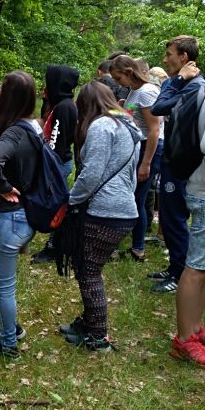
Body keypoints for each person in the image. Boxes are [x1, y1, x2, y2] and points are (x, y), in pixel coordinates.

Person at [58, 81, 141, 352]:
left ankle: (97, 335)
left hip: (106, 211)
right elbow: (129, 175)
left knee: (89, 271)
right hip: (124, 209)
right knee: (90, 268)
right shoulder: (127, 126)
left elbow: (91, 173)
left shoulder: (101, 127)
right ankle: (89, 323)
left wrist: (71, 200)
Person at [0, 71, 42, 359]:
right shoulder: (35, 128)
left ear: (9, 96)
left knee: (4, 287)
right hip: (25, 216)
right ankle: (10, 327)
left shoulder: (14, 131)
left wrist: (3, 186)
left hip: (11, 218)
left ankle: (9, 344)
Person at [149, 36, 205, 292]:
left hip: (184, 166)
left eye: (169, 54)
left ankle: (179, 274)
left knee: (175, 220)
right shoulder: (181, 84)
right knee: (170, 219)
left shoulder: (194, 87)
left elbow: (158, 107)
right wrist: (177, 80)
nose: (165, 59)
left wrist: (179, 80)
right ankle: (174, 268)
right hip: (174, 162)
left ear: (184, 57)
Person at [110, 54, 163, 261]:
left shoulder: (147, 92)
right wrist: (120, 109)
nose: (117, 82)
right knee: (134, 198)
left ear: (129, 72)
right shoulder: (134, 91)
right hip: (137, 148)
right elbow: (132, 117)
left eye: (118, 78)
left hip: (148, 149)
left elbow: (154, 130)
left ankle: (138, 248)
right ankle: (135, 246)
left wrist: (146, 163)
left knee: (136, 199)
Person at [170, 93, 205, 366]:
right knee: (196, 268)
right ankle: (184, 339)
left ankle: (193, 329)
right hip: (203, 192)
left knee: (202, 268)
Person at [31, 65, 79, 263]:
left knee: (55, 207)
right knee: (55, 205)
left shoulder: (64, 107)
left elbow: (56, 142)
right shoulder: (61, 104)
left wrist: (48, 167)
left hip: (57, 164)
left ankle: (54, 247)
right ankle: (55, 245)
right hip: (57, 162)